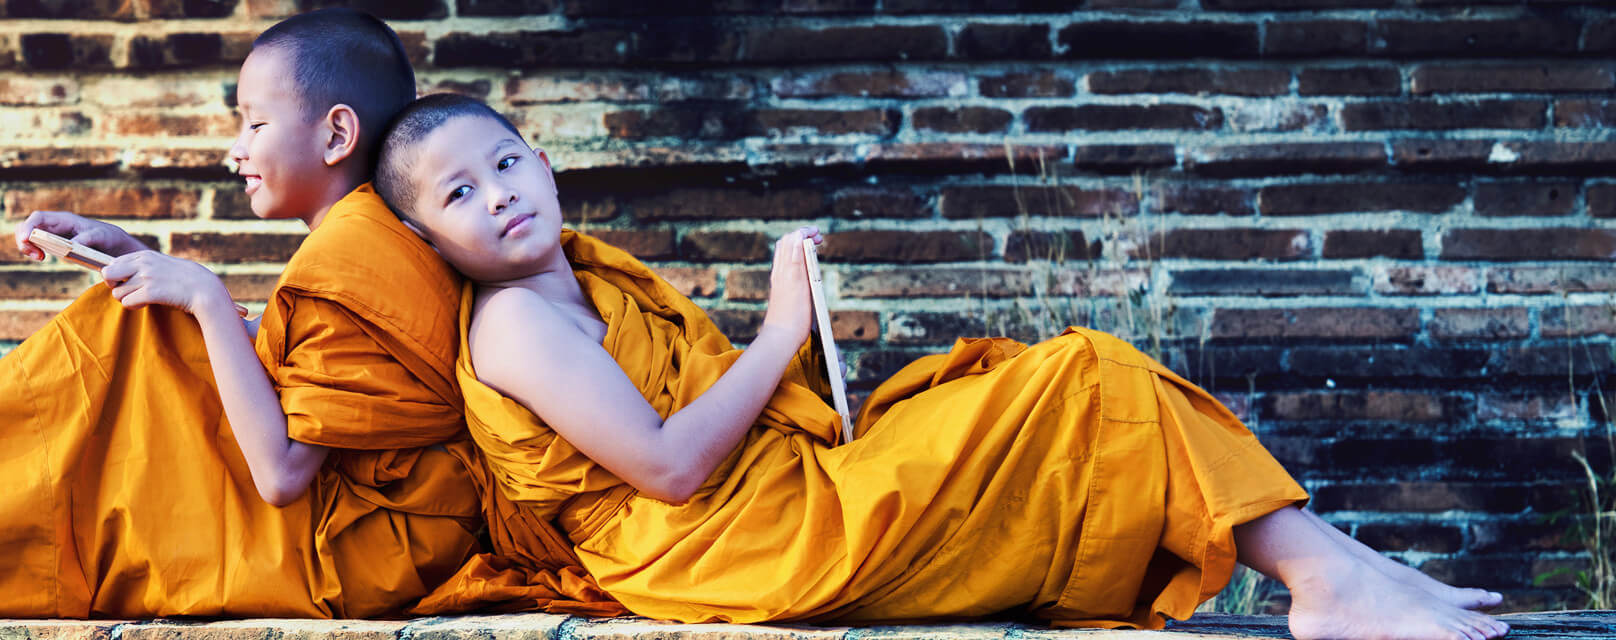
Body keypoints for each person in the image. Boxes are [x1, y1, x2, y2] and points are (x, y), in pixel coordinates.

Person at [369, 93, 1513, 640]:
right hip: (738, 546)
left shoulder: (588, 276)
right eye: (460, 194)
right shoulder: (514, 326)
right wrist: (780, 330)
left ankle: (1342, 567)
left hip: (774, 497)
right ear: (428, 239)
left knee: (1069, 373)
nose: (501, 194)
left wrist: (794, 343)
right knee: (1085, 380)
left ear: (542, 159)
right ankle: (1326, 581)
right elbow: (667, 470)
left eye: (507, 162)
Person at [0, 9, 498, 618]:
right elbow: (290, 358)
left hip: (363, 553)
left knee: (136, 329)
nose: (234, 151)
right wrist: (133, 257)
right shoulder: (362, 237)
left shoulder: (354, 253)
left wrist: (202, 295)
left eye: (254, 125)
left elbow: (280, 474)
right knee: (143, 319)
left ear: (337, 135)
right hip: (371, 527)